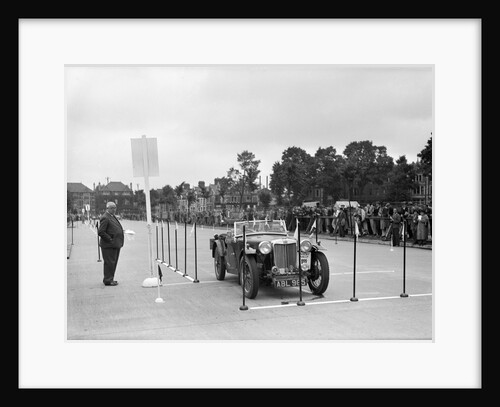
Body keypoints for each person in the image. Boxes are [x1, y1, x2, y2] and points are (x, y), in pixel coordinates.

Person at [98, 201, 124, 286]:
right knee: (109, 263)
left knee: (113, 263)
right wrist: (110, 239)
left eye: (115, 207)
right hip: (109, 245)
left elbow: (113, 228)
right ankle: (108, 280)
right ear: (107, 208)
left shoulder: (112, 216)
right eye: (112, 208)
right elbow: (101, 232)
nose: (114, 209)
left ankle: (110, 279)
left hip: (115, 244)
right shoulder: (105, 217)